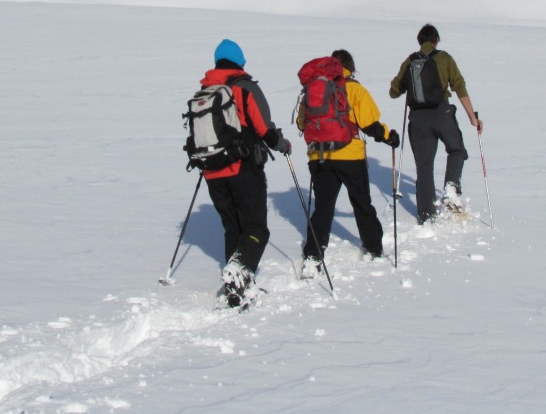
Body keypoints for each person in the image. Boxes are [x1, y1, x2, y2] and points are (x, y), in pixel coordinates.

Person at [197, 38, 291, 307]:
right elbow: (263, 128)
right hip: (243, 168)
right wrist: (281, 145)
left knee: (233, 229)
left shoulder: (205, 91)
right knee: (256, 229)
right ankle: (238, 275)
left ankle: (235, 286)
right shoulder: (244, 88)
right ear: (239, 61)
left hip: (212, 171)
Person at [299, 49, 400, 275]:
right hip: (350, 155)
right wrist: (388, 136)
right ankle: (373, 248)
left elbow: (301, 122)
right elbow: (369, 124)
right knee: (362, 203)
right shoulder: (353, 88)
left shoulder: (313, 89)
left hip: (320, 157)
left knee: (323, 208)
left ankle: (313, 255)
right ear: (350, 67)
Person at [389, 24, 483, 224]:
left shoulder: (410, 61)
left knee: (424, 167)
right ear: (436, 40)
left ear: (419, 41)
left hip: (418, 120)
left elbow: (394, 92)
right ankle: (450, 188)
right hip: (442, 114)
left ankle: (425, 215)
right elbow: (459, 86)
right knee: (457, 150)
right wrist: (472, 117)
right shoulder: (444, 58)